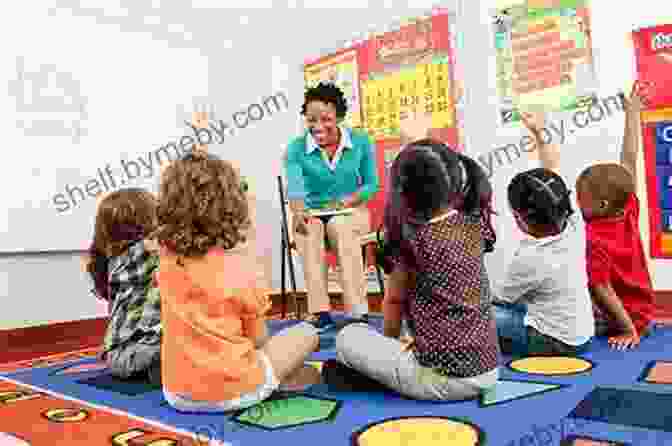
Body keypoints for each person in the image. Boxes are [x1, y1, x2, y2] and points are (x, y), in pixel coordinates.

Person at [330, 139, 499, 400]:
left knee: (348, 337)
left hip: (441, 380)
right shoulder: (472, 222)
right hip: (488, 369)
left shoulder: (412, 242)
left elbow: (394, 303)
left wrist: (386, 348)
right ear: (454, 179)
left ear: (403, 194)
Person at [154, 151, 318, 413]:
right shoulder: (241, 267)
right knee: (306, 334)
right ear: (232, 206)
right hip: (237, 389)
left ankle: (279, 380)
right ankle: (277, 382)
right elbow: (259, 340)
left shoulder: (166, 262)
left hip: (177, 393)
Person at [492, 111, 595, 357]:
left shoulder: (530, 258)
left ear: (518, 218)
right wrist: (539, 133)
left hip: (553, 343)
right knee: (522, 303)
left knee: (480, 313)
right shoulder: (573, 224)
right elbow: (553, 169)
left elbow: (501, 297)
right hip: (582, 334)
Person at [284, 82, 379, 331]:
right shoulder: (296, 148)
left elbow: (371, 184)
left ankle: (357, 312)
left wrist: (350, 200)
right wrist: (298, 211)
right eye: (311, 119)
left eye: (325, 119)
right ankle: (320, 312)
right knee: (309, 230)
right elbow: (295, 189)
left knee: (340, 226)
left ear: (339, 116)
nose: (317, 126)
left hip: (351, 211)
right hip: (313, 212)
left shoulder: (360, 141)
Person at [576, 81, 657, 350]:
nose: (576, 202)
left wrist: (627, 330)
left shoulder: (594, 237)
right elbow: (629, 160)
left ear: (602, 203)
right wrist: (632, 114)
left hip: (623, 317)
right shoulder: (627, 208)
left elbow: (601, 289)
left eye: (581, 198)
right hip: (644, 310)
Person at [85, 188, 162, 385]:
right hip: (149, 349)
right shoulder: (145, 253)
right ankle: (162, 367)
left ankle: (158, 367)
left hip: (120, 357)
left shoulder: (112, 263)